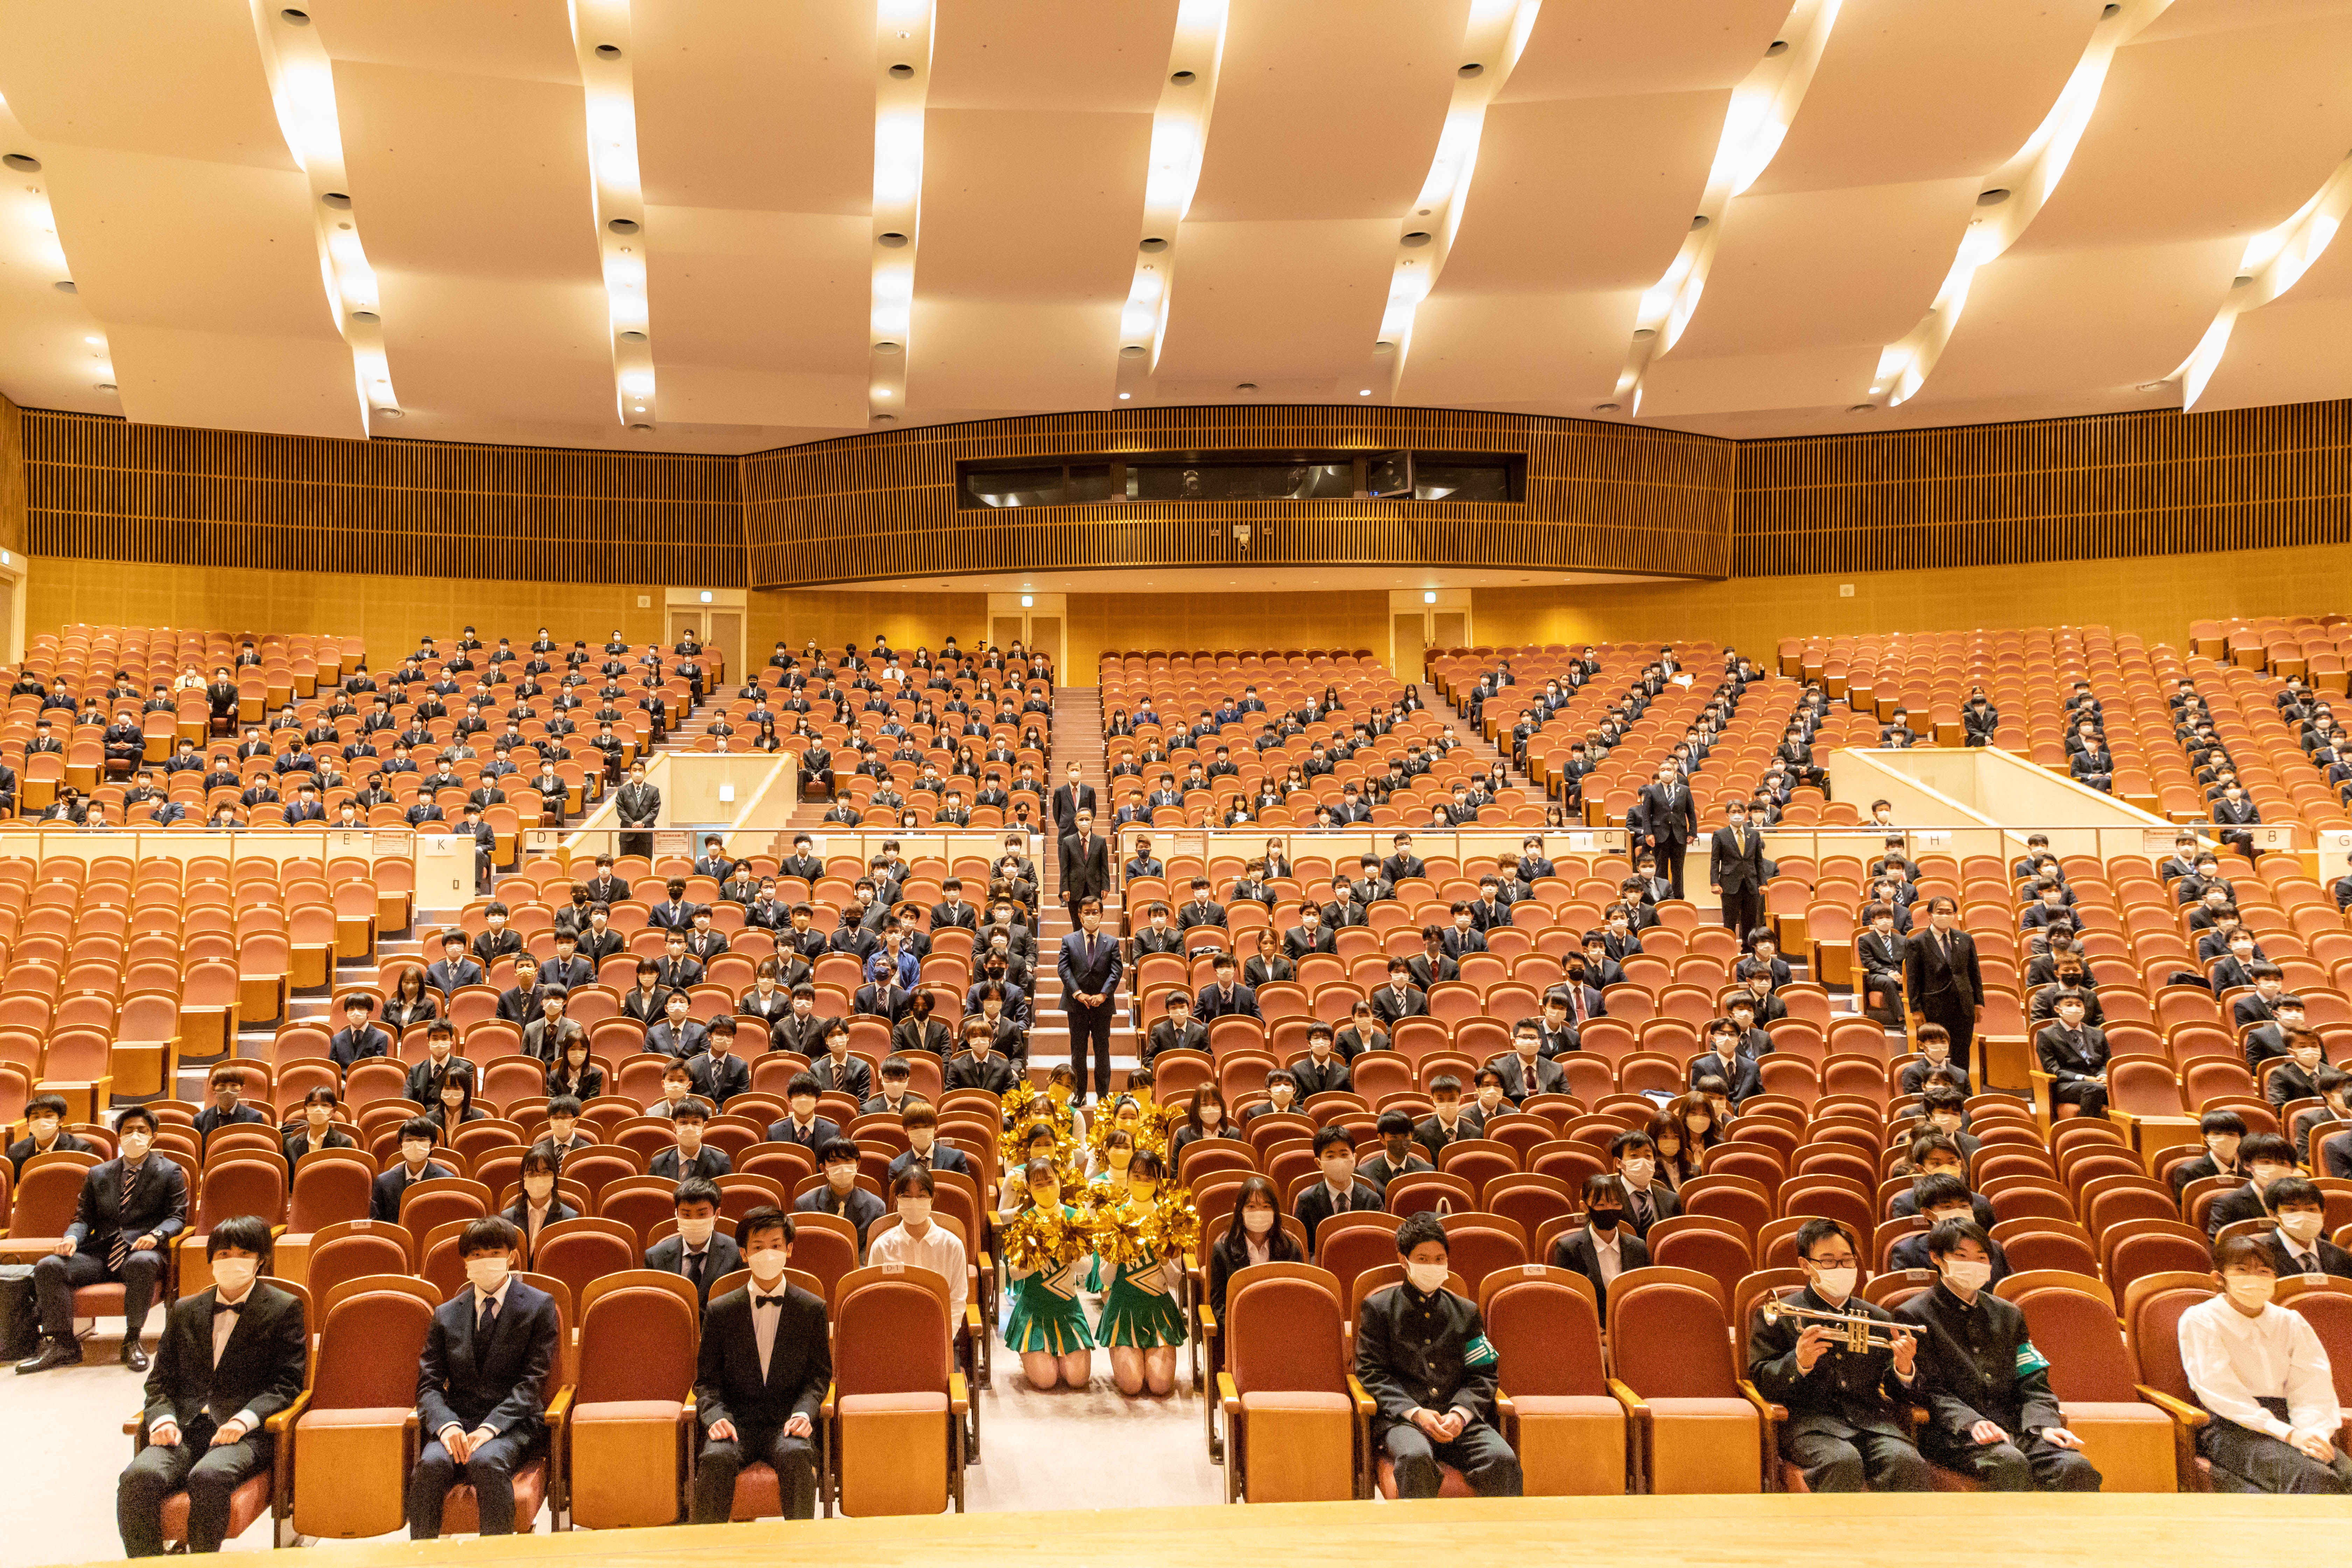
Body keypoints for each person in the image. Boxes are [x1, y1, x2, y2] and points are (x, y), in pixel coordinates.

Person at [117, 1214, 307, 1556]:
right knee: (137, 1478)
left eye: (243, 1254)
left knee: (209, 1477)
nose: (231, 1261)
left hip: (246, 1431)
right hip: (186, 1428)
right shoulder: (186, 1309)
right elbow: (160, 1380)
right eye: (223, 1254)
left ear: (260, 1260)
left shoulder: (284, 1308)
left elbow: (286, 1384)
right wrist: (162, 1419)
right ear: (211, 1259)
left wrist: (243, 1419)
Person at [1894, 1217, 2100, 1491]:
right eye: (1962, 1256)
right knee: (2008, 1463)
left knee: (2075, 1467)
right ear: (1936, 1258)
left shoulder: (2009, 1314)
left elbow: (2033, 1380)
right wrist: (1971, 1422)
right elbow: (1930, 1390)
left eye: (1982, 1258)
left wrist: (2045, 1425)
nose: (1974, 1265)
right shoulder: (1913, 1314)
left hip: (2017, 1427)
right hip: (1954, 1433)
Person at [406, 1219, 562, 1539]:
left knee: (486, 1462)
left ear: (512, 1257)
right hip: (459, 1422)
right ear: (465, 1261)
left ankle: (497, 1557)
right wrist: (447, 1426)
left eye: (494, 1252)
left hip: (513, 1423)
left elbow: (532, 1383)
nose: (484, 1260)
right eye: (476, 1254)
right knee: (431, 1465)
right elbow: (429, 1384)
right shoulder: (446, 1314)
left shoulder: (539, 1305)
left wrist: (491, 1427)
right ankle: (420, 1558)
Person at [1747, 1218, 1929, 1492]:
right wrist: (1799, 1363)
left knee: (1907, 1461)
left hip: (1872, 1423)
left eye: (1847, 1260)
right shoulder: (1779, 1315)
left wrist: (1903, 1369)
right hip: (1809, 1424)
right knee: (1842, 1461)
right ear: (1806, 1266)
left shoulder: (1877, 1318)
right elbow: (1762, 1379)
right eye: (1829, 1261)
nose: (1841, 1268)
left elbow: (1896, 1391)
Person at [1354, 1212, 1523, 1498]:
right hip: (1404, 1420)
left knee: (1502, 1459)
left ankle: (1500, 1540)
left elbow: (1484, 1373)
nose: (1432, 1266)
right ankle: (1422, 1540)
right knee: (1416, 1456)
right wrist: (1417, 1413)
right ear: (1403, 1260)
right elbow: (1371, 1372)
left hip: (1457, 1420)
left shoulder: (1466, 1311)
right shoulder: (1379, 1308)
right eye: (1422, 1259)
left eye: (1439, 1259)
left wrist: (1461, 1413)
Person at [19, 1105, 186, 1373]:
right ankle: (64, 1345)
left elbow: (177, 1217)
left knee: (141, 1262)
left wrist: (156, 1235)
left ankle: (132, 1341)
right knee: (49, 1265)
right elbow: (83, 1218)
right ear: (119, 1137)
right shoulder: (99, 1173)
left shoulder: (170, 1172)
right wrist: (72, 1238)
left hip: (143, 1250)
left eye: (142, 1131)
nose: (135, 1136)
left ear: (153, 1137)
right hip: (101, 1252)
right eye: (128, 1130)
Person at [2178, 1234, 2352, 1492]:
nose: (2254, 1278)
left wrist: (2314, 1433)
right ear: (2219, 1278)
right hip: (2231, 1427)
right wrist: (2289, 1435)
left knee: (2347, 1474)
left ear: (2274, 1279)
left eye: (2263, 1271)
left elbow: (2312, 1383)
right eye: (2241, 1270)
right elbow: (2220, 1391)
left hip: (2293, 1419)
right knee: (2314, 1477)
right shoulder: (2200, 1319)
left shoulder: (2290, 1321)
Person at [689, 1208, 830, 1522]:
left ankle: (800, 1555)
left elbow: (819, 1377)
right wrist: (714, 1418)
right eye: (758, 1247)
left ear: (789, 1250)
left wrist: (805, 1412)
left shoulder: (812, 1308)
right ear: (743, 1254)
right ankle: (704, 1556)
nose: (768, 1253)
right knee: (715, 1458)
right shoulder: (720, 1310)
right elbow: (706, 1382)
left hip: (786, 1420)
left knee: (797, 1454)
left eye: (776, 1245)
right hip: (735, 1421)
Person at [1093, 1148, 1187, 1396]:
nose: (1143, 1182)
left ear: (1158, 1182)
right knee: (1132, 1386)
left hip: (1160, 1309)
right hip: (1124, 1309)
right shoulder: (1114, 1217)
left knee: (1160, 1386)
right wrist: (1117, 1254)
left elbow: (1177, 1281)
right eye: (1137, 1176)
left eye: (1150, 1178)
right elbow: (1105, 1279)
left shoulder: (1169, 1218)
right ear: (1127, 1179)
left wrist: (1164, 1259)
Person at [1001, 1157, 1096, 1390]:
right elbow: (1014, 1273)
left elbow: (1088, 1267)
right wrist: (1038, 1255)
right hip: (1035, 1311)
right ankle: (1031, 1354)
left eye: (1049, 1181)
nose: (1045, 1188)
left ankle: (1052, 1356)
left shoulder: (1076, 1216)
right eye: (1038, 1184)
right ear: (1029, 1188)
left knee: (1077, 1380)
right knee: (1046, 1381)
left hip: (1068, 1308)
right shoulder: (1024, 1220)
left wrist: (1066, 1254)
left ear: (1059, 1181)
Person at [866, 1168, 969, 1328]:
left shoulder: (953, 1245)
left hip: (940, 1333)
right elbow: (876, 1299)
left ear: (932, 1199)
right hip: (893, 1332)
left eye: (921, 1196)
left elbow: (957, 1302)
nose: (914, 1201)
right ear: (897, 1199)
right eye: (906, 1196)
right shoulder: (882, 1246)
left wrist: (943, 1339)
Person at [1904, 896, 1983, 1078]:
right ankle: (1935, 1088)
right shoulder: (1917, 942)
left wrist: (1978, 1002)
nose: (1945, 916)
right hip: (1934, 1006)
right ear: (1930, 915)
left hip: (1964, 1005)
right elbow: (1914, 978)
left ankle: (1961, 1090)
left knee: (1962, 1052)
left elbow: (1974, 972)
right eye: (1940, 912)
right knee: (1934, 1053)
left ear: (1955, 915)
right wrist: (1916, 1010)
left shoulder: (1965, 939)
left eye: (1949, 912)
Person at [1206, 1175, 1303, 1319]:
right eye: (1251, 1207)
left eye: (1266, 1207)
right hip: (1240, 1330)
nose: (1259, 1213)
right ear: (1239, 1210)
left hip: (1282, 1328)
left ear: (1275, 1212)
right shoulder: (1223, 1250)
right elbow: (1219, 1307)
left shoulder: (1291, 1249)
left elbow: (1297, 1300)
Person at [1058, 896, 1121, 1103]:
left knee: (1102, 1051)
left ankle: (1103, 1096)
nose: (1091, 916)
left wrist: (1104, 994)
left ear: (1102, 915)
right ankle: (1080, 1094)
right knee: (1078, 1052)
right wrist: (1078, 993)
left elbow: (1116, 971)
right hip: (1077, 1005)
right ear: (1080, 915)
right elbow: (1064, 969)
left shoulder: (1112, 942)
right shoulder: (1068, 940)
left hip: (1102, 1006)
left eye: (1095, 912)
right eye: (1087, 912)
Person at [1548, 1174, 1649, 1300]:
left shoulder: (1638, 1247)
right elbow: (1566, 1299)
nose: (1610, 1209)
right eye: (1601, 1205)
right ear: (1584, 1207)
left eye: (1616, 1204)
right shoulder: (1568, 1249)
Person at [646, 1178, 743, 1308]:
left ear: (717, 1214)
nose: (694, 1221)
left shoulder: (737, 1255)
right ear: (677, 1214)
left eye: (702, 1214)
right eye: (686, 1215)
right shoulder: (655, 1256)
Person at [1295, 1125, 1383, 1250]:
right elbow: (1303, 1250)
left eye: (1344, 1154)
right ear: (1319, 1163)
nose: (1339, 1161)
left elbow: (1380, 1245)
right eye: (1331, 1156)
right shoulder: (1307, 1200)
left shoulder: (1372, 1199)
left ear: (1354, 1158)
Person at [794, 1138, 887, 1246]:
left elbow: (870, 1254)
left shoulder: (876, 1207)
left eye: (848, 1160)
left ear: (858, 1165)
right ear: (823, 1169)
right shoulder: (805, 1205)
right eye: (834, 1161)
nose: (842, 1167)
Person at [2207, 1133, 2300, 1237]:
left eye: (2282, 1163)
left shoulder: (2303, 1202)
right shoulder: (2228, 1204)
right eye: (2266, 1162)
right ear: (2248, 1165)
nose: (2274, 1168)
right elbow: (2220, 1248)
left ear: (2292, 1169)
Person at [2034, 992, 2109, 1118]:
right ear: (2058, 1009)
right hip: (2068, 1084)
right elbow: (2054, 1070)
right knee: (2095, 1088)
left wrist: (2103, 1075)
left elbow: (2107, 1062)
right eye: (2069, 1005)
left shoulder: (2098, 1033)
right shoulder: (2047, 1035)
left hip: (2098, 1082)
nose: (2075, 1008)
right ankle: (2086, 1130)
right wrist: (2084, 1078)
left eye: (2079, 1005)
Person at [2261, 1177, 2352, 1279]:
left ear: (2323, 1214)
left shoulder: (2340, 1255)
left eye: (2311, 1209)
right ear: (2273, 1214)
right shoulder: (2259, 1254)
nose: (2303, 1216)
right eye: (2292, 1210)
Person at [502, 1147, 577, 1265]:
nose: (538, 1179)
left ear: (555, 1177)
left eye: (545, 1173)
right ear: (524, 1178)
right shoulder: (508, 1218)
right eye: (531, 1174)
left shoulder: (569, 1219)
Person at [1709, 800, 1767, 936]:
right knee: (1730, 920)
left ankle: (1748, 950)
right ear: (1727, 815)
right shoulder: (1720, 835)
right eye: (1733, 812)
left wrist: (1763, 883)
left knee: (1750, 921)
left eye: (1740, 812)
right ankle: (1728, 949)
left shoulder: (1754, 834)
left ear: (1745, 814)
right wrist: (1714, 883)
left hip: (1751, 884)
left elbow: (1759, 861)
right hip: (1729, 884)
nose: (1737, 815)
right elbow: (1715, 861)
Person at [7, 1092, 93, 1175]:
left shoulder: (79, 1149)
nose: (41, 1121)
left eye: (48, 1116)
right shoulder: (16, 1151)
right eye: (36, 1117)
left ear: (61, 1121)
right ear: (28, 1123)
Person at [614, 761, 660, 859]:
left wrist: (643, 823)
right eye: (635, 770)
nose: (638, 772)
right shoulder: (622, 790)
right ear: (630, 772)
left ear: (645, 772)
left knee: (645, 865)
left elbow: (655, 810)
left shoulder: (654, 791)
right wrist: (632, 824)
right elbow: (620, 809)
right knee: (625, 865)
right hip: (627, 834)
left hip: (646, 835)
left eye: (640, 770)